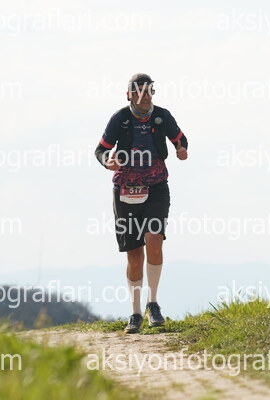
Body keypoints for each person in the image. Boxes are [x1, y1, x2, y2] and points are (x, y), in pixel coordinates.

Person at [94, 73, 189, 333]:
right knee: (134, 254)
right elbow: (101, 150)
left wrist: (181, 150)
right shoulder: (120, 119)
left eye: (149, 91)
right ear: (130, 94)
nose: (145, 96)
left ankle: (153, 304)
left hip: (157, 187)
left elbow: (180, 139)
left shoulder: (162, 116)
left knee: (154, 240)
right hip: (125, 190)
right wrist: (107, 161)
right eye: (140, 91)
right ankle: (135, 313)